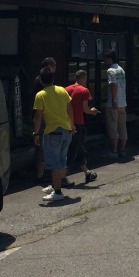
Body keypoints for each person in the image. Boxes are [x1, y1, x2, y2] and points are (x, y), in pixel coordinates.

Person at [33, 68, 74, 202]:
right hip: (66, 130)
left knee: (54, 163)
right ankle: (55, 185)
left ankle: (58, 192)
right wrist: (72, 125)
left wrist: (36, 133)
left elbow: (38, 116)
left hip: (53, 132)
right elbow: (70, 109)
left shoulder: (41, 95)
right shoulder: (62, 90)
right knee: (61, 161)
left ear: (41, 80)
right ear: (53, 79)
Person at [65, 69, 99, 185]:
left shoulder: (66, 89)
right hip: (78, 123)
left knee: (78, 148)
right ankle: (62, 177)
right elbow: (85, 109)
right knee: (73, 150)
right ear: (83, 77)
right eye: (86, 78)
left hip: (67, 123)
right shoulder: (84, 90)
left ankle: (87, 172)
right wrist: (93, 111)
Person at [33, 57, 57, 187]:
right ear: (48, 67)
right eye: (53, 66)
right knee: (42, 147)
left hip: (47, 118)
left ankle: (45, 173)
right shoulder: (41, 81)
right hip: (43, 118)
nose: (55, 68)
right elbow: (39, 111)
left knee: (46, 146)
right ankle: (40, 175)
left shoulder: (42, 80)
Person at [103, 50, 128, 159]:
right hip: (123, 102)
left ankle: (114, 151)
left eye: (105, 59)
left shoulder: (111, 70)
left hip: (113, 103)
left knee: (113, 127)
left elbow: (114, 85)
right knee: (122, 126)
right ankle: (122, 149)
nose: (104, 61)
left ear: (109, 59)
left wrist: (113, 100)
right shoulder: (121, 69)